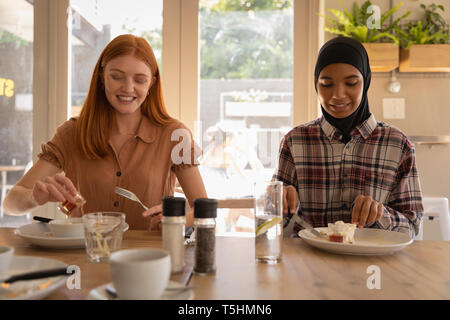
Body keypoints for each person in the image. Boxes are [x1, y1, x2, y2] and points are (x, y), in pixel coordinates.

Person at [3, 34, 207, 231]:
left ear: (151, 83)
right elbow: (10, 203)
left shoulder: (176, 135)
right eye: (117, 77)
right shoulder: (71, 133)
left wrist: (178, 219)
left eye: (140, 80)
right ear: (102, 77)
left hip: (149, 259)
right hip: (85, 257)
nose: (128, 88)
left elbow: (203, 210)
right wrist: (34, 198)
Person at [276, 37, 423, 238]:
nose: (337, 94)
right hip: (309, 265)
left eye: (351, 83)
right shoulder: (295, 141)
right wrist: (277, 202)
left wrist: (380, 215)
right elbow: (273, 222)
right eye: (326, 84)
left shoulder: (398, 145)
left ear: (366, 82)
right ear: (315, 85)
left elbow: (413, 228)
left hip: (373, 266)